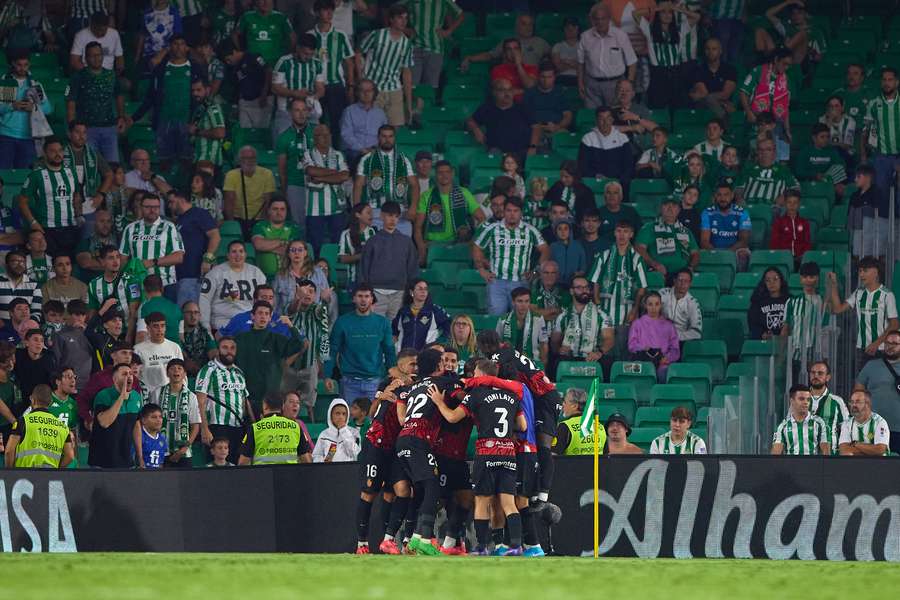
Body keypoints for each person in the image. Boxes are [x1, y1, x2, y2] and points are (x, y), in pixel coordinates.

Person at [430, 358, 525, 556]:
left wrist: (439, 402)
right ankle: (516, 546)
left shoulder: (476, 394)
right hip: (508, 453)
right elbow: (522, 426)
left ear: (480, 374)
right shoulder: (512, 394)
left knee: (482, 501)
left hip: (486, 452)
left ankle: (482, 547)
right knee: (508, 503)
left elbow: (452, 417)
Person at [384, 348, 462, 556]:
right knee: (433, 488)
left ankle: (416, 538)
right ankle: (425, 539)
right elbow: (465, 390)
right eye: (442, 361)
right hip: (418, 440)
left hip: (404, 439)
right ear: (438, 366)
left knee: (421, 490)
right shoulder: (443, 383)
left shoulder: (415, 386)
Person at [132, 35, 207, 175]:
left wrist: (197, 121)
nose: (178, 47)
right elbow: (150, 97)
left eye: (182, 44)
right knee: (164, 162)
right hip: (164, 122)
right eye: (175, 44)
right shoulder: (161, 68)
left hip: (187, 122)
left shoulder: (195, 67)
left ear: (186, 47)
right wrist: (133, 118)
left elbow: (203, 95)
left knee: (187, 161)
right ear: (169, 47)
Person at [474, 197, 549, 316]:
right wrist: (481, 269)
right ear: (504, 211)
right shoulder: (492, 229)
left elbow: (545, 249)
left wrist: (536, 271)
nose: (512, 214)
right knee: (496, 320)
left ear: (521, 212)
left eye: (516, 211)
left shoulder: (530, 231)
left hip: (521, 282)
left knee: (522, 319)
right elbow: (477, 247)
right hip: (497, 283)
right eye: (509, 210)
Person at [323, 284, 396, 402]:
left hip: (375, 382)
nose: (363, 299)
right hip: (349, 382)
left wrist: (393, 375)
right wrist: (327, 375)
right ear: (354, 298)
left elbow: (389, 351)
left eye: (367, 296)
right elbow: (332, 350)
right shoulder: (342, 322)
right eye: (360, 296)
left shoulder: (383, 323)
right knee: (349, 420)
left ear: (372, 299)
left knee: (373, 420)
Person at [16, 137, 81, 258]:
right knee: (52, 265)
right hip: (47, 229)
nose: (58, 154)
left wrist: (79, 215)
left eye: (60, 150)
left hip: (70, 228)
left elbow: (76, 195)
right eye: (53, 151)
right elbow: (22, 201)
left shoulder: (71, 172)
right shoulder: (36, 175)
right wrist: (33, 222)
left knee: (68, 265)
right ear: (45, 154)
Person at [828, 256, 898, 365]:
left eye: (865, 271)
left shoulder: (887, 295)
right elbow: (838, 309)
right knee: (863, 381)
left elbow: (894, 324)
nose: (861, 274)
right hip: (862, 348)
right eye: (860, 271)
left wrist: (876, 343)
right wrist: (833, 284)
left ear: (876, 272)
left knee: (880, 381)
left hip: (882, 348)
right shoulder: (858, 292)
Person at [65, 41, 128, 163]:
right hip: (87, 129)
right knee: (89, 165)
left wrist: (121, 117)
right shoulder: (77, 77)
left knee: (113, 166)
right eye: (93, 56)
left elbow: (119, 96)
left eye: (99, 55)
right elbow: (70, 102)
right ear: (86, 58)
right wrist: (72, 126)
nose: (97, 58)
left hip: (109, 128)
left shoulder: (111, 75)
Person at [352, 125, 419, 236]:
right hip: (375, 212)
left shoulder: (404, 159)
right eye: (384, 136)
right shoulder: (367, 159)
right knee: (376, 250)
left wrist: (413, 208)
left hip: (400, 212)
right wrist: (358, 212)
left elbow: (415, 185)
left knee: (402, 249)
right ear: (378, 137)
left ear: (394, 138)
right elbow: (358, 185)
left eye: (390, 136)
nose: (387, 139)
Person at [358, 201, 420, 320]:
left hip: (399, 292)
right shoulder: (373, 241)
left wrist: (411, 293)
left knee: (395, 330)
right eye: (389, 215)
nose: (393, 220)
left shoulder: (406, 242)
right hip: (376, 292)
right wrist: (366, 292)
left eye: (396, 216)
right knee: (376, 328)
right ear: (381, 216)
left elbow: (413, 268)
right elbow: (364, 268)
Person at [119, 194, 185, 301]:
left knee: (164, 316)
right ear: (141, 207)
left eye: (156, 207)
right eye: (148, 207)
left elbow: (178, 257)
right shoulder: (130, 228)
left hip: (165, 284)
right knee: (134, 314)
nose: (152, 210)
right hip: (136, 284)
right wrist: (127, 279)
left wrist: (152, 262)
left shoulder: (169, 227)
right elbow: (123, 258)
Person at [633, 2, 698, 109]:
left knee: (677, 106)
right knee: (657, 105)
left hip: (675, 72)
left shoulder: (679, 30)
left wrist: (676, 9)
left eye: (670, 13)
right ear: (658, 15)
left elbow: (696, 16)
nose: (667, 15)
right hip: (658, 73)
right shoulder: (650, 29)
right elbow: (635, 14)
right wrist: (658, 8)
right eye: (663, 13)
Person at [196, 336, 249, 464]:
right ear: (218, 350)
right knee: (217, 465)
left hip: (237, 426)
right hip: (217, 426)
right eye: (225, 347)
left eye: (232, 348)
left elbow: (244, 400)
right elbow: (199, 401)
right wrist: (204, 428)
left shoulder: (239, 372)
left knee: (235, 464)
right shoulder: (208, 370)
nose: (229, 351)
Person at [358, 3, 413, 127]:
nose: (403, 21)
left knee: (395, 128)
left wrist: (408, 104)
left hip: (395, 89)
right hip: (374, 88)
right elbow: (358, 52)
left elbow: (406, 73)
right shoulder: (377, 35)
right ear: (391, 19)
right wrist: (361, 78)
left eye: (406, 18)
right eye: (400, 17)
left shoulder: (407, 44)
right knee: (371, 127)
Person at [551, 275, 615, 378]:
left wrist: (599, 353)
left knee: (607, 362)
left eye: (586, 287)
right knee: (557, 361)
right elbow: (554, 341)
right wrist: (559, 349)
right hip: (570, 357)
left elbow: (609, 339)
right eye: (579, 288)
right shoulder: (563, 316)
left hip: (593, 356)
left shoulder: (602, 314)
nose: (584, 291)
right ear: (571, 291)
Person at [309, 0, 355, 139]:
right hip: (315, 86)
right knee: (317, 122)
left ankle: (336, 152)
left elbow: (349, 62)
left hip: (336, 84)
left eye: (331, 10)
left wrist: (350, 85)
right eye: (325, 10)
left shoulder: (341, 35)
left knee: (337, 122)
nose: (329, 13)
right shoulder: (310, 35)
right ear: (317, 12)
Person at [284, 278, 330, 420]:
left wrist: (324, 301)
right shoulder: (289, 307)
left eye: (311, 291)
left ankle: (309, 429)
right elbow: (291, 310)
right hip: (289, 366)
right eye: (304, 291)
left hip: (310, 365)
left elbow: (320, 311)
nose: (307, 294)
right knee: (287, 401)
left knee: (310, 404)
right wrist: (298, 298)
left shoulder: (317, 310)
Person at [577, 3, 637, 108]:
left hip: (616, 85)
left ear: (609, 19)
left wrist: (628, 86)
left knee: (615, 117)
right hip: (592, 85)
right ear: (592, 20)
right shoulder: (585, 37)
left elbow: (632, 62)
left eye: (603, 19)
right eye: (596, 19)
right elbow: (580, 63)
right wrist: (580, 83)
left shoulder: (620, 35)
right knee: (593, 117)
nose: (599, 22)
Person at [167, 189, 220, 308]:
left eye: (171, 202)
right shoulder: (180, 220)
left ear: (180, 199)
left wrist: (208, 258)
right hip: (181, 275)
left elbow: (215, 235)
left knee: (190, 313)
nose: (169, 206)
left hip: (194, 274)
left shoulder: (198, 213)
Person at [0, 49, 53, 169]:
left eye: (25, 65)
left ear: (29, 65)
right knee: (3, 173)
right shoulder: (5, 81)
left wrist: (33, 107)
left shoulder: (34, 84)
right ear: (13, 64)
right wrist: (12, 106)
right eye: (19, 65)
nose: (22, 68)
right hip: (6, 134)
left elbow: (48, 108)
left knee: (25, 175)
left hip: (27, 136)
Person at [415, 161, 484, 251]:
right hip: (433, 244)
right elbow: (417, 227)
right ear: (435, 174)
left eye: (447, 172)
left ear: (452, 173)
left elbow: (482, 218)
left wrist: (474, 241)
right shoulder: (426, 196)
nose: (444, 175)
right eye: (440, 173)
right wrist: (421, 248)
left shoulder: (464, 193)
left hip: (460, 243)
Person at [467, 79, 541, 162]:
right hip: (498, 152)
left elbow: (536, 127)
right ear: (494, 92)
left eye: (509, 90)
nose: (507, 94)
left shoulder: (522, 107)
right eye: (502, 90)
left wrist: (533, 147)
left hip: (523, 151)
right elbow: (470, 121)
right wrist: (476, 129)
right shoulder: (487, 108)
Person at [590, 220, 647, 328]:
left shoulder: (637, 258)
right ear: (614, 233)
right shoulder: (604, 256)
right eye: (619, 231)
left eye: (626, 231)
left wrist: (635, 310)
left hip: (626, 312)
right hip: (604, 310)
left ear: (631, 234)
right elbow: (596, 282)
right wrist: (597, 304)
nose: (622, 235)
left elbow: (642, 288)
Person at [199, 240, 266, 332]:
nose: (238, 255)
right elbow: (204, 299)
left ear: (246, 254)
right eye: (234, 252)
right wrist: (205, 324)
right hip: (223, 322)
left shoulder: (256, 273)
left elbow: (265, 299)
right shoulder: (215, 273)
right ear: (228, 255)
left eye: (241, 251)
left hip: (250, 323)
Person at [739, 48, 793, 160]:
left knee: (780, 146)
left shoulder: (785, 79)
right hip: (757, 119)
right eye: (784, 64)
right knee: (755, 151)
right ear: (776, 60)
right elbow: (743, 92)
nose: (786, 67)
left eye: (789, 65)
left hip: (776, 123)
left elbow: (785, 107)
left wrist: (787, 129)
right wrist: (749, 113)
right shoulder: (759, 71)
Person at [4, 384, 73, 469]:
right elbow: (70, 456)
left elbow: (9, 451)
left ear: (32, 400)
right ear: (50, 402)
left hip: (24, 476)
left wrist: (10, 473)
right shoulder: (63, 427)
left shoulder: (22, 422)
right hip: (50, 477)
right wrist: (56, 471)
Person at [861, 67, 900, 217]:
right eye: (884, 80)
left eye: (890, 80)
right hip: (881, 156)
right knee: (882, 192)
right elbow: (865, 131)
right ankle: (884, 227)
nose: (887, 83)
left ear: (897, 82)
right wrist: (864, 156)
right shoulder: (873, 104)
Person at [271, 33, 325, 140]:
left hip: (308, 111)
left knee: (318, 140)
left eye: (311, 54)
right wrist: (295, 94)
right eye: (305, 53)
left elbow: (321, 89)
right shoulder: (284, 62)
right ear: (297, 48)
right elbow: (275, 87)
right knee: (283, 141)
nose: (308, 57)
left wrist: (313, 96)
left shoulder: (317, 64)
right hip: (286, 111)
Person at [854, 329, 900, 454]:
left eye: (894, 344)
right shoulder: (871, 365)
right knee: (875, 466)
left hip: (898, 427)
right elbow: (857, 393)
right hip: (873, 426)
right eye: (887, 343)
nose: (890, 346)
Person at [89, 363, 142, 468]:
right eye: (124, 374)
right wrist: (121, 397)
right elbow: (104, 423)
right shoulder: (103, 395)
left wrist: (140, 457)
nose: (129, 376)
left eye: (131, 374)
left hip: (126, 461)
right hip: (102, 462)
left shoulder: (136, 397)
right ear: (114, 379)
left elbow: (136, 425)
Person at [239, 393, 312, 465]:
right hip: (290, 475)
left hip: (262, 475)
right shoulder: (295, 427)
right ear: (282, 406)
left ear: (265, 406)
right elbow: (306, 459)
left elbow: (243, 462)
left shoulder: (255, 428)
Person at [275, 99, 315, 231]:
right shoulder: (284, 137)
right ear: (290, 113)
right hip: (295, 184)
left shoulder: (317, 132)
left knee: (315, 221)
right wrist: (285, 190)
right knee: (298, 224)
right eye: (297, 110)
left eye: (304, 110)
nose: (301, 114)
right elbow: (282, 168)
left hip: (316, 184)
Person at [86, 245, 141, 341]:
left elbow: (134, 313)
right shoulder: (93, 285)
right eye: (111, 258)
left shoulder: (133, 281)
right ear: (102, 262)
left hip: (127, 333)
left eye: (117, 257)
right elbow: (92, 314)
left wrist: (128, 338)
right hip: (104, 336)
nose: (116, 261)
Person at [635, 197, 700, 277]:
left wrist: (690, 267)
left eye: (674, 205)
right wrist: (654, 264)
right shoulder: (649, 228)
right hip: (657, 272)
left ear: (679, 210)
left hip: (681, 275)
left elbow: (695, 254)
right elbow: (639, 249)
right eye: (666, 205)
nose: (670, 208)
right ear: (660, 208)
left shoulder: (686, 231)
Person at [220, 37, 274, 129]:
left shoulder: (253, 57)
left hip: (261, 101)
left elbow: (268, 70)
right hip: (245, 103)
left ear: (234, 52)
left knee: (261, 132)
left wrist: (264, 93)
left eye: (229, 59)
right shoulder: (234, 68)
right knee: (245, 132)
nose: (228, 62)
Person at [783, 262, 827, 374]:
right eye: (804, 277)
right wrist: (781, 354)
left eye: (811, 277)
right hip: (795, 353)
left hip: (815, 353)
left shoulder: (823, 302)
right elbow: (786, 328)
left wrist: (825, 355)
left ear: (817, 278)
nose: (808, 280)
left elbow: (826, 329)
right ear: (800, 279)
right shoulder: (792, 302)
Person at [223, 146, 277, 235]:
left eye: (252, 158)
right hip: (237, 218)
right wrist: (232, 224)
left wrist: (262, 224)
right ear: (239, 160)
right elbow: (229, 200)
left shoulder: (267, 174)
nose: (249, 161)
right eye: (245, 158)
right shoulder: (231, 175)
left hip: (260, 219)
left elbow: (268, 201)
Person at [271, 240, 333, 316]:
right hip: (288, 320)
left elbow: (328, 301)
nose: (296, 253)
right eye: (293, 250)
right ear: (288, 254)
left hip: (311, 319)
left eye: (300, 250)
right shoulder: (280, 275)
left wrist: (326, 298)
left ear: (305, 253)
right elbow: (274, 303)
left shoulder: (318, 272)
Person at [628, 291, 680, 380]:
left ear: (660, 305)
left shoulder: (669, 325)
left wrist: (667, 358)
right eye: (650, 304)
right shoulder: (638, 324)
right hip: (643, 362)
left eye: (656, 304)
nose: (653, 308)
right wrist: (644, 348)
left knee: (665, 373)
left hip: (662, 363)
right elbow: (632, 345)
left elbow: (675, 349)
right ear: (645, 305)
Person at [700, 183, 752, 271]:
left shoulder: (742, 212)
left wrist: (727, 253)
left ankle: (738, 282)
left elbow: (744, 241)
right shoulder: (707, 212)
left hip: (734, 250)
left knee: (743, 254)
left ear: (732, 196)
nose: (722, 198)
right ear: (715, 196)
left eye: (726, 195)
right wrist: (716, 253)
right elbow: (704, 241)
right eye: (719, 195)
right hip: (713, 249)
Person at [577, 107, 633, 186]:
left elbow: (628, 165)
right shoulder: (588, 138)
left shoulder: (622, 138)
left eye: (608, 118)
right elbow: (583, 166)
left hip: (618, 183)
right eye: (601, 119)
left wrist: (619, 181)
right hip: (595, 181)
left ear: (612, 120)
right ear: (596, 121)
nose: (605, 122)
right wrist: (595, 175)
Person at [133, 312, 184, 398]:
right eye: (156, 326)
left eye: (162, 325)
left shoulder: (174, 347)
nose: (160, 329)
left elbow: (182, 374)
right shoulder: (138, 350)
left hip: (171, 396)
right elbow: (135, 376)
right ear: (148, 328)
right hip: (148, 398)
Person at [251, 196, 302, 280]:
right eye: (275, 209)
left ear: (286, 211)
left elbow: (294, 249)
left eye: (282, 209)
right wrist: (282, 242)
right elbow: (258, 245)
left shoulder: (293, 227)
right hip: (263, 278)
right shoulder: (260, 226)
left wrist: (267, 247)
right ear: (268, 211)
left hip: (289, 278)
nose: (279, 212)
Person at [392, 279, 450, 352]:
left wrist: (439, 342)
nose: (423, 291)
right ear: (411, 292)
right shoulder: (403, 311)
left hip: (426, 355)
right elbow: (394, 331)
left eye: (425, 289)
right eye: (420, 289)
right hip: (405, 356)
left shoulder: (434, 310)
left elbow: (449, 325)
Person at [686, 37, 737, 120]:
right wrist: (721, 102)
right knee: (709, 99)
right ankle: (724, 120)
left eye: (714, 49)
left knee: (710, 99)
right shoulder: (698, 70)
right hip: (704, 106)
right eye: (707, 49)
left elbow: (725, 94)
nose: (710, 52)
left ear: (720, 51)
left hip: (718, 103)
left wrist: (709, 97)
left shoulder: (729, 70)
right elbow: (704, 93)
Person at [771, 384, 830, 455]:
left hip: (813, 465)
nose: (806, 402)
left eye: (808, 399)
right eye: (801, 399)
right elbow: (775, 456)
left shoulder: (820, 423)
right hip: (790, 465)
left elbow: (826, 454)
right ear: (792, 401)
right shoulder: (783, 426)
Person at [339, 79, 388, 165]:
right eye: (362, 90)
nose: (366, 93)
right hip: (355, 151)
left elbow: (385, 134)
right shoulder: (349, 111)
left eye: (369, 90)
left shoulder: (380, 113)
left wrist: (375, 149)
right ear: (357, 93)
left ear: (374, 92)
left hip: (375, 150)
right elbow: (346, 135)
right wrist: (362, 149)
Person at [497, 287, 548, 365]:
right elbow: (498, 342)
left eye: (527, 301)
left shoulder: (538, 319)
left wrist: (543, 364)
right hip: (508, 362)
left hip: (532, 360)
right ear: (513, 302)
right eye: (520, 301)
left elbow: (543, 343)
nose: (523, 305)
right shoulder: (503, 320)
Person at [807, 360, 847, 456]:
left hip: (831, 455)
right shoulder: (798, 399)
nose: (815, 376)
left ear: (828, 377)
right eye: (813, 373)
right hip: (804, 453)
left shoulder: (837, 401)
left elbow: (846, 429)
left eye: (820, 373)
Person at [551, 387, 605, 456]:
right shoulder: (600, 426)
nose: (563, 405)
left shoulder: (565, 426)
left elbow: (554, 456)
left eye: (565, 402)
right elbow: (606, 456)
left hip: (572, 466)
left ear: (574, 406)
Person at [49, 300, 92, 386]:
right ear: (68, 315)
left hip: (88, 383)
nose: (80, 318)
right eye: (77, 314)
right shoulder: (60, 335)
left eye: (83, 315)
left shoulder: (90, 334)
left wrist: (88, 332)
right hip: (68, 384)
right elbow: (56, 361)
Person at [189, 77, 227, 171]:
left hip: (210, 163)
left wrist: (196, 131)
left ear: (207, 89)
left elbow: (220, 133)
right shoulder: (199, 109)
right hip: (198, 159)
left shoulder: (213, 107)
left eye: (199, 90)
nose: (195, 93)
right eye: (193, 90)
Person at [838, 389, 890, 457]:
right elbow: (844, 450)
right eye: (851, 402)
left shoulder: (879, 422)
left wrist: (855, 444)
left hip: (879, 465)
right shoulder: (846, 424)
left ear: (867, 404)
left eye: (858, 402)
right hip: (855, 464)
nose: (853, 405)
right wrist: (870, 451)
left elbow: (880, 450)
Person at [135, 275, 183, 344]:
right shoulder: (176, 307)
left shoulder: (145, 306)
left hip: (155, 352)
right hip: (175, 352)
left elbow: (141, 335)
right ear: (162, 288)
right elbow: (181, 337)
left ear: (144, 289)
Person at [660, 268, 702, 343]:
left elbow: (697, 333)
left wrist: (676, 336)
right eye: (680, 280)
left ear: (690, 283)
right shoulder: (663, 293)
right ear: (674, 281)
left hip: (680, 340)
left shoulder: (693, 303)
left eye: (686, 281)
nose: (682, 284)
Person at [490, 38, 538, 103]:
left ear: (520, 51)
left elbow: (529, 86)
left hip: (527, 104)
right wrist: (523, 91)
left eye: (516, 48)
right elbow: (501, 93)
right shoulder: (497, 70)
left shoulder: (532, 68)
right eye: (509, 49)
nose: (513, 52)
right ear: (504, 53)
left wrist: (518, 65)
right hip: (507, 105)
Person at [311, 397, 360, 462]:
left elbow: (355, 454)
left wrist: (343, 430)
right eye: (337, 413)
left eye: (344, 414)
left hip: (348, 470)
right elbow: (316, 456)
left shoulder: (354, 432)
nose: (341, 417)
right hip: (329, 470)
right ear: (330, 415)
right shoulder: (324, 434)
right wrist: (323, 461)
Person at [748, 268, 789, 340]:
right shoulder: (758, 302)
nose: (771, 282)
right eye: (768, 280)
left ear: (781, 281)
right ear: (764, 283)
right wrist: (762, 334)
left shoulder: (790, 300)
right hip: (763, 342)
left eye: (775, 279)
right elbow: (753, 323)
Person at [181, 301, 217, 377]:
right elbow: (185, 361)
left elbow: (213, 354)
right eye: (189, 312)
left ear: (200, 315)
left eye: (196, 312)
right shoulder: (177, 334)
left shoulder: (205, 333)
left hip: (204, 376)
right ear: (182, 315)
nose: (193, 316)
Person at [133, 402, 167, 469]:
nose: (158, 420)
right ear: (143, 420)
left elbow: (161, 463)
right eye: (154, 417)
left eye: (160, 417)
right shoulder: (138, 437)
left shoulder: (162, 439)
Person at [551, 16, 580, 86]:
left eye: (573, 26)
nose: (570, 29)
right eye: (567, 27)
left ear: (578, 29)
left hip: (580, 77)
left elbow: (586, 68)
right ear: (564, 29)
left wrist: (565, 62)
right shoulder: (557, 46)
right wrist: (576, 64)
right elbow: (558, 68)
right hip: (562, 77)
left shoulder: (584, 46)